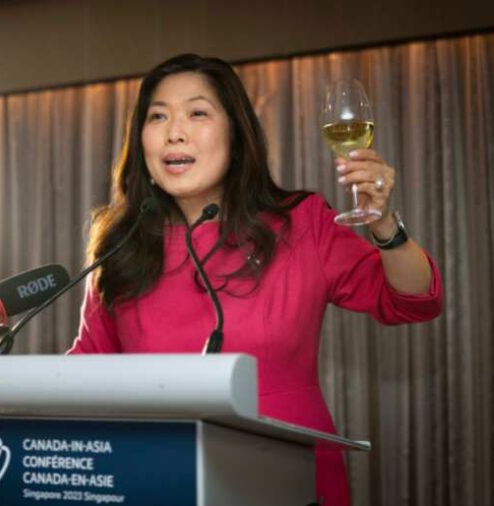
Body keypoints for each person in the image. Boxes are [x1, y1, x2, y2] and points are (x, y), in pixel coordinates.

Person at [67, 54, 442, 505]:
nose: (175, 131)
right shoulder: (119, 246)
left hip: (290, 478)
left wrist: (383, 225)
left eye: (197, 112)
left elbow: (414, 300)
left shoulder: (302, 223)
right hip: (157, 477)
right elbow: (83, 373)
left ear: (236, 135)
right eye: (158, 116)